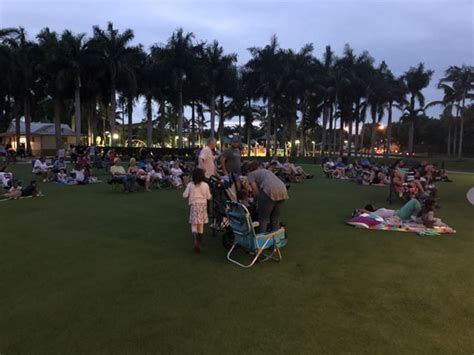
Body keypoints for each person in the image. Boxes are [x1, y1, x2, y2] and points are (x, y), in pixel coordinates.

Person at [247, 160, 289, 233]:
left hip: (269, 189)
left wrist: (254, 203)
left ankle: (262, 239)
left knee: (263, 218)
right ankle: (276, 238)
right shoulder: (265, 171)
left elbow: (255, 192)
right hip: (282, 189)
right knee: (275, 216)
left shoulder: (251, 174)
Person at [182, 168, 212, 253]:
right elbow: (209, 197)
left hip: (194, 205)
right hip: (202, 205)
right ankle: (200, 241)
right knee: (201, 224)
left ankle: (195, 240)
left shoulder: (190, 185)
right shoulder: (205, 185)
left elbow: (184, 195)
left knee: (194, 224)